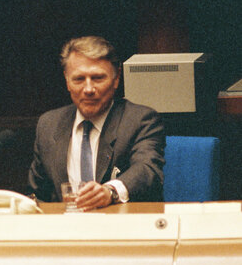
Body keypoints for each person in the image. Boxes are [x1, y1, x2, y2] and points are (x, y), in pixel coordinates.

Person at [28, 36, 165, 209]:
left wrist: (110, 192)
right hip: (65, 230)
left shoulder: (140, 120)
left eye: (98, 78)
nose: (88, 89)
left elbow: (147, 170)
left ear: (116, 78)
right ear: (67, 81)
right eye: (78, 79)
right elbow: (38, 195)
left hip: (123, 228)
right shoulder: (49, 124)